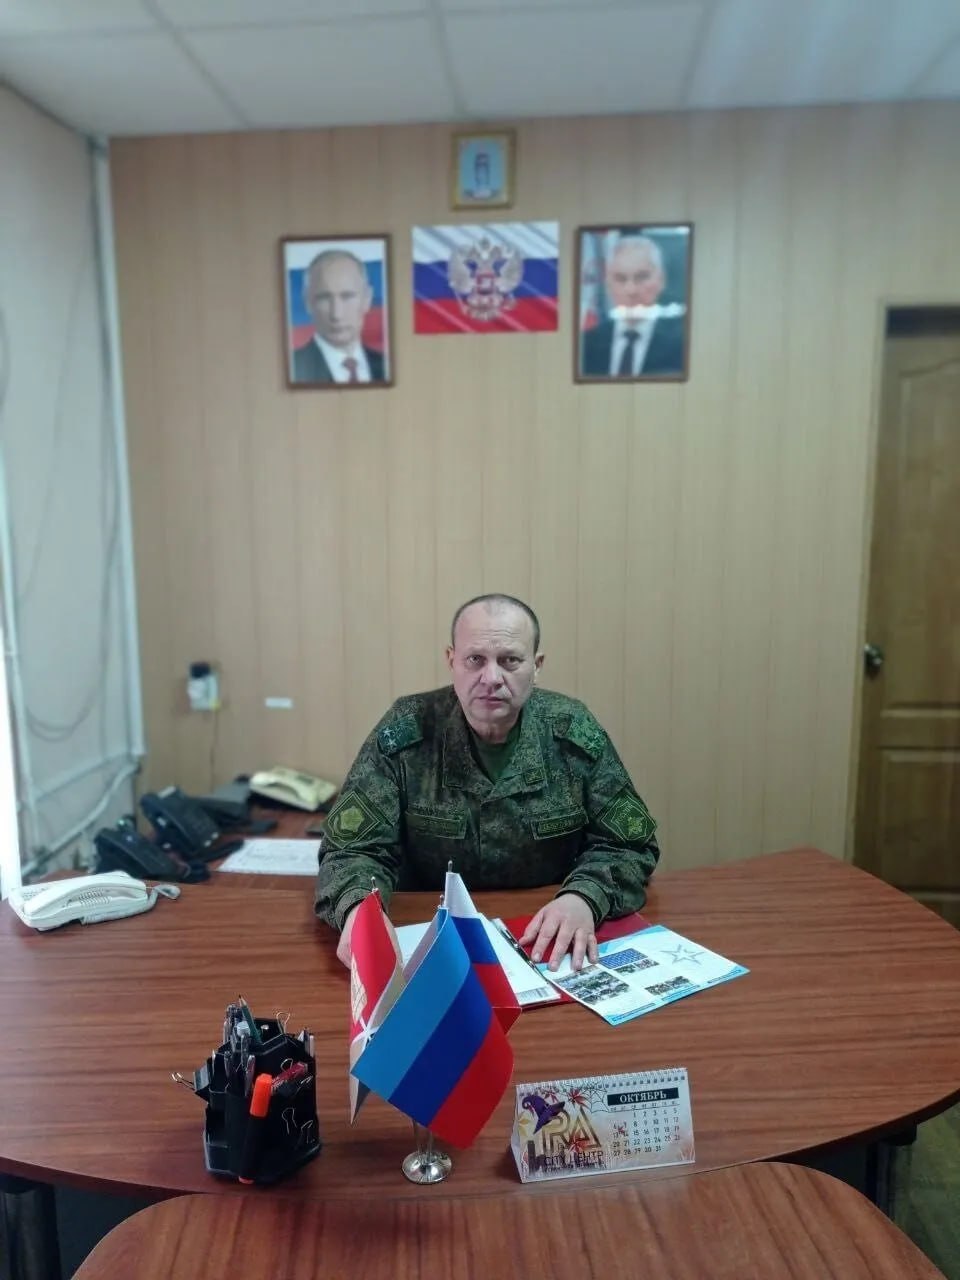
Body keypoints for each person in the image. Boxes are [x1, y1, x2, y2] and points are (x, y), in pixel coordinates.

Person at [315, 594, 659, 973]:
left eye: (510, 660)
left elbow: (628, 844)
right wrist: (359, 910)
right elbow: (351, 849)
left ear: (536, 666)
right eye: (475, 659)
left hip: (545, 936)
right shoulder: (406, 731)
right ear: (452, 661)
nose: (492, 678)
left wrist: (585, 897)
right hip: (427, 938)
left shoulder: (572, 731)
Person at [580, 235, 685, 378]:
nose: (631, 290)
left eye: (641, 277)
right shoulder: (586, 345)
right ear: (608, 284)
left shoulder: (683, 344)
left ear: (661, 280)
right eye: (620, 279)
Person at [291, 249, 387, 384]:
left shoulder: (386, 366)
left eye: (347, 296)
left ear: (367, 299)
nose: (336, 314)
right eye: (324, 298)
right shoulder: (293, 368)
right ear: (308, 302)